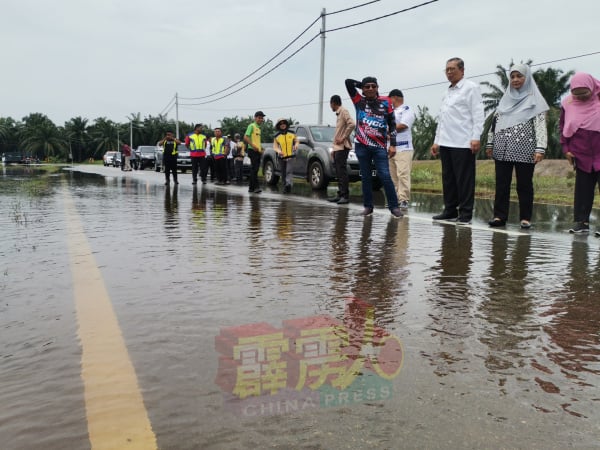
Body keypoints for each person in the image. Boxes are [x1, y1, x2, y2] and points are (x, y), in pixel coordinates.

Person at [486, 64, 549, 229]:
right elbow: (495, 123)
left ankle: (525, 218)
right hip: (502, 148)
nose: (515, 80)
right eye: (512, 77)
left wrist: (540, 148)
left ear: (526, 77)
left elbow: (541, 126)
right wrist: (490, 142)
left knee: (524, 184)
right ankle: (499, 216)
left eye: (519, 76)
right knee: (501, 184)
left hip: (525, 149)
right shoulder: (505, 100)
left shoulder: (535, 100)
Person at [431, 57, 484, 224]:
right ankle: (450, 210)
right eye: (446, 69)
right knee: (449, 179)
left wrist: (476, 137)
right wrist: (436, 141)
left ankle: (466, 213)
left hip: (463, 141)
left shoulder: (471, 88)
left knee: (464, 180)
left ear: (462, 70)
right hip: (446, 141)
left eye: (452, 69)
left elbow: (478, 114)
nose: (449, 72)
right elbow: (442, 119)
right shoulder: (447, 92)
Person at [345, 77, 403, 218]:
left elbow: (392, 124)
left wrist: (393, 144)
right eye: (367, 87)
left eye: (373, 86)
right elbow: (348, 82)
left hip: (379, 146)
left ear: (377, 87)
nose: (370, 89)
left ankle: (394, 207)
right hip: (361, 145)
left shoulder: (386, 101)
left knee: (384, 175)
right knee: (365, 177)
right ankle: (368, 207)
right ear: (363, 90)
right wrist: (361, 85)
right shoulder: (359, 101)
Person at [560, 72, 600, 235]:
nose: (581, 98)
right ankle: (581, 223)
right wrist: (566, 149)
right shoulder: (567, 103)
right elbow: (563, 126)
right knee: (583, 189)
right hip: (580, 152)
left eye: (585, 94)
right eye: (577, 94)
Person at [388, 89, 415, 210]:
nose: (389, 102)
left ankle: (404, 199)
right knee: (393, 176)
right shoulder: (390, 111)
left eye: (390, 99)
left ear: (395, 98)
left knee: (403, 174)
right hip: (391, 147)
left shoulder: (406, 109)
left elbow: (403, 125)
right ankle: (396, 199)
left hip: (404, 147)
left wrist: (387, 130)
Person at [327, 94, 355, 205]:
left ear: (333, 103)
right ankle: (340, 194)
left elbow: (352, 124)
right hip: (338, 148)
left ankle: (345, 196)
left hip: (343, 147)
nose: (330, 106)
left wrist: (343, 137)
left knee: (342, 171)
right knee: (338, 172)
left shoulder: (343, 111)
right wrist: (334, 149)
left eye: (330, 104)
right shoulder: (339, 114)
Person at [273, 118, 298, 193]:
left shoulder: (292, 132)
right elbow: (275, 147)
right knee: (283, 173)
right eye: (280, 123)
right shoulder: (276, 136)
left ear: (286, 124)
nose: (282, 125)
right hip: (281, 157)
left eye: (284, 123)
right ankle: (285, 186)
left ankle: (288, 184)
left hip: (291, 156)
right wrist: (279, 151)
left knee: (289, 171)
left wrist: (296, 145)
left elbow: (297, 141)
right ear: (278, 126)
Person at [244, 111, 265, 194]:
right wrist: (253, 146)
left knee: (254, 169)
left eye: (262, 118)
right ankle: (256, 187)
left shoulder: (258, 128)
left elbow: (257, 141)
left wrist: (261, 149)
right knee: (255, 169)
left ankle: (251, 188)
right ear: (255, 118)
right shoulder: (251, 126)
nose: (261, 119)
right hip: (252, 150)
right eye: (259, 117)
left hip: (257, 151)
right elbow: (245, 137)